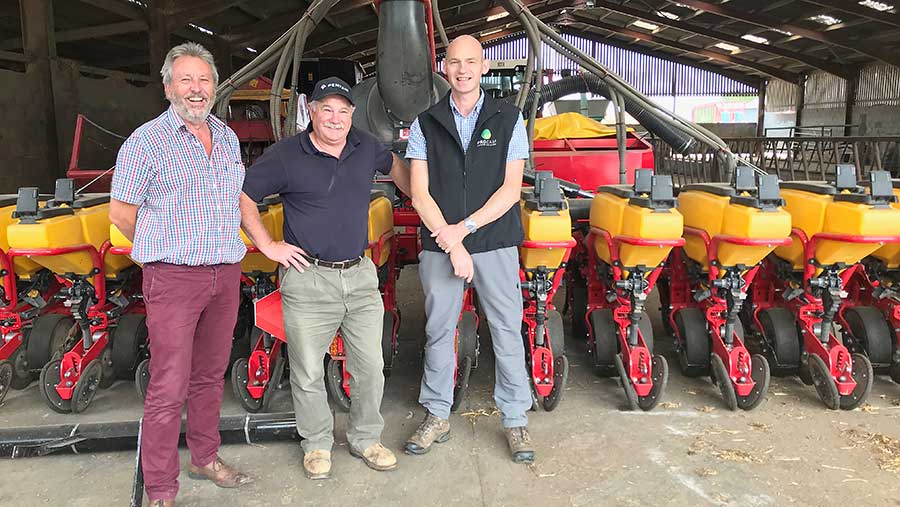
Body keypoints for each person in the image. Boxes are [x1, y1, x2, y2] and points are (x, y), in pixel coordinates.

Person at [240, 77, 411, 480]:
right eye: (326, 109)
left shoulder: (365, 146)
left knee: (370, 366)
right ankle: (316, 443)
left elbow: (399, 169)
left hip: (359, 275)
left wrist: (420, 197)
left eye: (343, 110)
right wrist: (268, 245)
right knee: (308, 370)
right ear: (311, 111)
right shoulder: (285, 156)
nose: (335, 118)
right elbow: (244, 196)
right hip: (308, 278)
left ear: (353, 114)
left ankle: (365, 437)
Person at [109, 42, 253, 507]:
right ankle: (161, 489)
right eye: (186, 80)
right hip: (174, 277)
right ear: (169, 87)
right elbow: (121, 214)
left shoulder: (227, 137)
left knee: (211, 374)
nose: (196, 89)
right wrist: (164, 251)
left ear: (214, 86)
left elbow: (234, 201)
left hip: (225, 272)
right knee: (169, 384)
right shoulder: (146, 141)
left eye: (204, 80)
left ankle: (204, 457)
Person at [404, 35, 535, 463]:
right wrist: (449, 238)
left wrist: (463, 230)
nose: (463, 70)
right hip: (440, 242)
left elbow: (510, 190)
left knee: (506, 327)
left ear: (484, 66)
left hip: (493, 240)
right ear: (445, 67)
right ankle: (437, 414)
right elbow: (419, 194)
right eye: (455, 62)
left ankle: (515, 419)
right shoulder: (425, 123)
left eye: (471, 62)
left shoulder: (508, 118)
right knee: (439, 330)